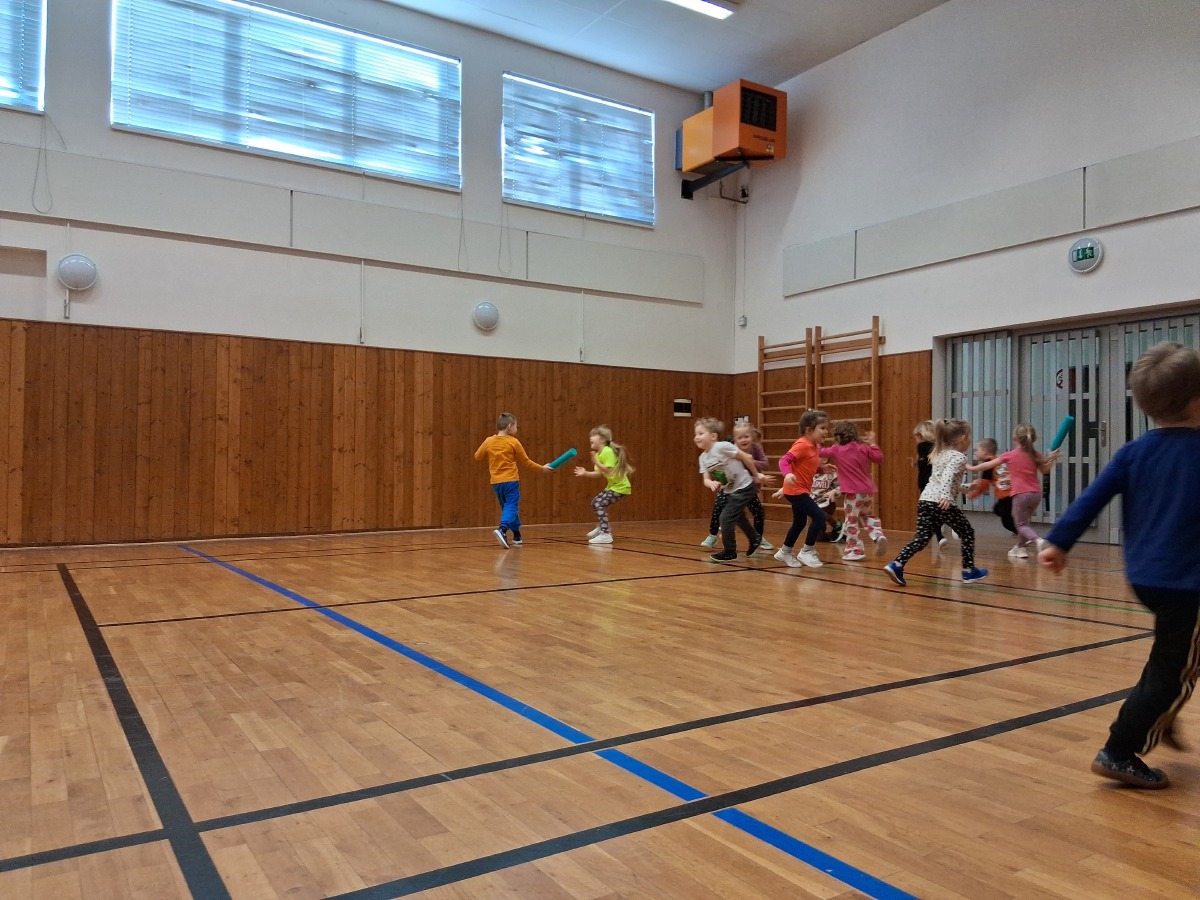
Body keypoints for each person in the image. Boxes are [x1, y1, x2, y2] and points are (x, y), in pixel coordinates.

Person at [1040, 342, 1200, 790]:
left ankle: (1158, 707)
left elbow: (1090, 498)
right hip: (1188, 584)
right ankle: (1121, 748)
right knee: (1175, 666)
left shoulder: (1134, 452)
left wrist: (1058, 542)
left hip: (1146, 578)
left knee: (1175, 657)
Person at [885, 418, 987, 585]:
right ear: (963, 438)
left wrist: (969, 487)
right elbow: (947, 476)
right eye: (969, 436)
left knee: (921, 538)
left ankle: (896, 564)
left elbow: (946, 482)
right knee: (967, 532)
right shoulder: (959, 457)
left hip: (925, 500)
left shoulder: (940, 455)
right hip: (940, 502)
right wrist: (945, 496)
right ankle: (969, 571)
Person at [966, 424, 1059, 557]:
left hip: (1020, 495)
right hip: (1036, 495)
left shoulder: (1009, 455)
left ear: (1014, 439)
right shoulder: (1035, 454)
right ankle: (1019, 548)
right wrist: (1052, 458)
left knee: (1020, 525)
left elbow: (987, 465)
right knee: (1024, 522)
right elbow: (1045, 470)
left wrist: (970, 468)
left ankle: (1038, 540)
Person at [694, 417, 773, 562]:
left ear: (713, 436)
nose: (697, 437)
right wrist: (710, 482)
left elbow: (746, 457)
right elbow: (705, 479)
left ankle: (730, 551)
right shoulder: (703, 458)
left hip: (744, 486)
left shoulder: (722, 447)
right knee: (738, 517)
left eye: (701, 433)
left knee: (725, 518)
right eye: (696, 434)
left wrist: (756, 475)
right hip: (731, 490)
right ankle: (755, 538)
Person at [473, 412, 551, 548]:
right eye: (516, 426)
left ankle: (516, 534)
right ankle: (502, 530)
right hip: (511, 481)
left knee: (508, 508)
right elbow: (526, 462)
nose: (517, 429)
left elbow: (477, 456)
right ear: (509, 426)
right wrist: (542, 468)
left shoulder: (488, 441)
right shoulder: (513, 442)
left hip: (496, 483)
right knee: (511, 507)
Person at [820, 421, 886, 561]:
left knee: (851, 521)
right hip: (868, 491)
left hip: (853, 494)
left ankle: (856, 550)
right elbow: (879, 458)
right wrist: (873, 443)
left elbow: (820, 452)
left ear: (838, 437)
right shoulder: (863, 447)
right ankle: (878, 535)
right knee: (867, 516)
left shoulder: (836, 449)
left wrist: (815, 441)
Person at [772, 409, 829, 568]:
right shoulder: (802, 444)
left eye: (826, 428)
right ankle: (807, 550)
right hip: (796, 491)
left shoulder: (814, 446)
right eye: (822, 428)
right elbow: (784, 461)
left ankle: (785, 551)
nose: (826, 431)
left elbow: (807, 466)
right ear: (809, 430)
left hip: (799, 490)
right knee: (819, 517)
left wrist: (822, 470)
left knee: (799, 522)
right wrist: (787, 474)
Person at [574, 425, 633, 545]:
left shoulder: (607, 451)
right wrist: (585, 473)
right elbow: (598, 473)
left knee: (599, 503)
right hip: (613, 486)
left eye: (593, 435)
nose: (590, 438)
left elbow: (608, 470)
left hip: (621, 487)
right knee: (595, 502)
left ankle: (605, 534)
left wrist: (596, 462)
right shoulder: (598, 454)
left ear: (602, 440)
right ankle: (603, 526)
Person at [965, 437, 1018, 548]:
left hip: (1006, 496)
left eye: (977, 450)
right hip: (1013, 494)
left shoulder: (988, 465)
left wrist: (973, 495)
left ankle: (1024, 535)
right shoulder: (997, 461)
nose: (975, 452)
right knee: (997, 509)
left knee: (1006, 522)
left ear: (985, 452)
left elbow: (984, 485)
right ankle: (1020, 527)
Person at [912, 419, 949, 550]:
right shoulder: (939, 447)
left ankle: (935, 536)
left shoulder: (922, 446)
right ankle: (940, 537)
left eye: (916, 437)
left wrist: (918, 463)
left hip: (927, 483)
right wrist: (916, 463)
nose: (916, 440)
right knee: (939, 509)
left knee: (929, 511)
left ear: (921, 436)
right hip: (939, 482)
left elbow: (925, 464)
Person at [810, 461, 841, 542]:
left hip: (827, 503)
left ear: (824, 459)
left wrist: (834, 492)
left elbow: (841, 487)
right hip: (813, 502)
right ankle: (835, 535)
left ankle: (836, 524)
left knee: (817, 512)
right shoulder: (809, 470)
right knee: (818, 538)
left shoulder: (832, 472)